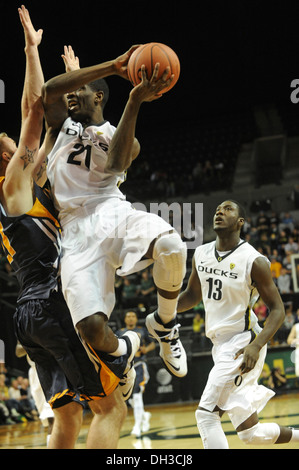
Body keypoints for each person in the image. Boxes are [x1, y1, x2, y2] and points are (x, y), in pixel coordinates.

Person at [0, 6, 139, 449]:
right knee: (111, 407)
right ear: (7, 159)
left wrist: (74, 86)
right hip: (49, 302)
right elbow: (33, 110)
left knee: (68, 416)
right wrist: (31, 51)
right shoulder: (15, 186)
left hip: (27, 315)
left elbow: (50, 134)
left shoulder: (32, 184)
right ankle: (126, 354)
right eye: (8, 142)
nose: (12, 139)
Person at [42, 44, 188, 379]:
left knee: (172, 245)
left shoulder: (121, 137)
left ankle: (165, 323)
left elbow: (118, 162)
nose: (70, 96)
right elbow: (50, 89)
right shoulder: (59, 126)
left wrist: (134, 100)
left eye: (79, 91)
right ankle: (125, 350)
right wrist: (113, 65)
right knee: (91, 330)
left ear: (98, 98)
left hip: (111, 211)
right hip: (74, 230)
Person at [177, 199, 299, 448]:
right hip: (220, 345)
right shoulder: (200, 253)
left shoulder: (254, 260)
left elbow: (278, 311)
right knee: (250, 434)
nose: (219, 211)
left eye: (228, 209)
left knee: (206, 414)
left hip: (243, 342)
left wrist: (256, 345)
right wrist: (164, 309)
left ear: (240, 222)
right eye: (217, 209)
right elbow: (191, 295)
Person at [116, 310, 155, 437]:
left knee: (137, 394)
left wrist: (146, 349)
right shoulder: (119, 332)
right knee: (130, 398)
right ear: (125, 319)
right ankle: (144, 415)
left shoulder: (142, 330)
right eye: (128, 316)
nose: (131, 318)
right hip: (125, 368)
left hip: (139, 365)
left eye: (133, 316)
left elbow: (153, 344)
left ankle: (137, 426)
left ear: (136, 319)